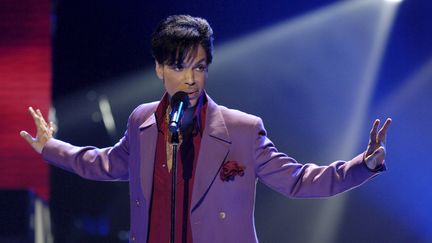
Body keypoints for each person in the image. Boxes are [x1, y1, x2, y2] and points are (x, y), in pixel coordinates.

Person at [20, 15, 392, 243]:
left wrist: (364, 164)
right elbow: (104, 164)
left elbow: (298, 180)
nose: (191, 78)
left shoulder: (242, 130)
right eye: (180, 66)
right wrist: (51, 147)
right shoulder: (142, 121)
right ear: (159, 68)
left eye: (199, 66)